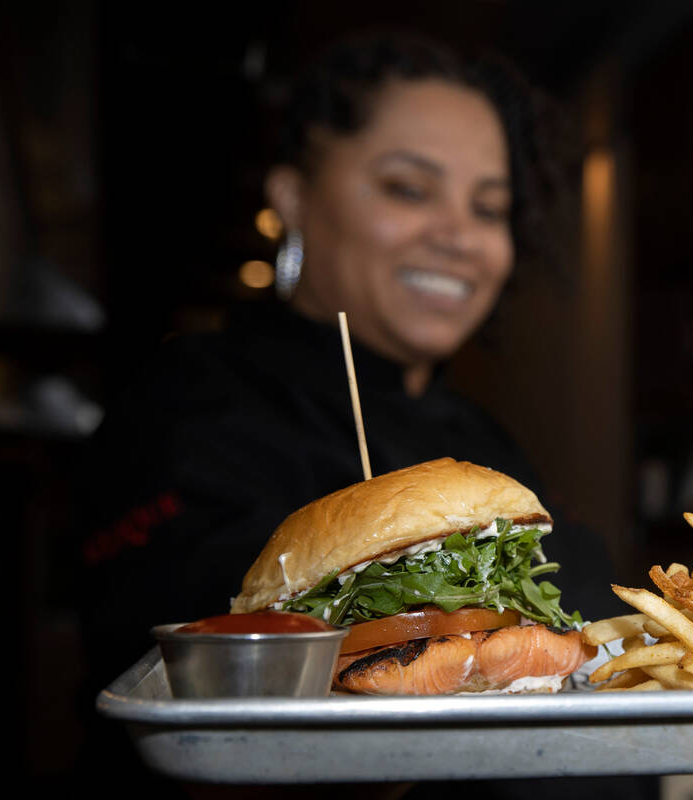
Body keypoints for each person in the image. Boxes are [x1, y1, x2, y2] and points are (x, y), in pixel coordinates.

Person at [73, 31, 642, 798]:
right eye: (409, 188)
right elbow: (187, 664)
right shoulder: (183, 404)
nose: (458, 236)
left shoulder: (483, 440)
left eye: (489, 207)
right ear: (292, 198)